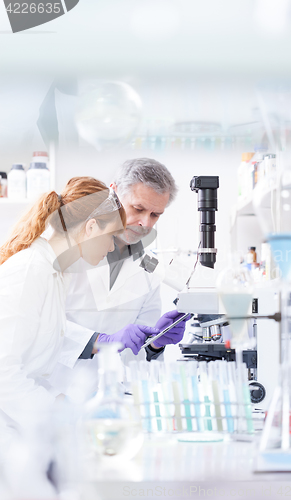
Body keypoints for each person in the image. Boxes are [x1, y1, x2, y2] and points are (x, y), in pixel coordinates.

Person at [0, 176, 166, 450]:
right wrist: (60, 415)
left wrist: (67, 404)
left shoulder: (54, 272)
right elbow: (3, 373)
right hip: (9, 437)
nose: (112, 247)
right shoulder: (30, 270)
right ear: (91, 227)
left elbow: (34, 368)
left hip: (24, 431)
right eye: (111, 237)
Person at [54, 158, 187, 393]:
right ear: (113, 193)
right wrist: (99, 341)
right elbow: (38, 326)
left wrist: (155, 344)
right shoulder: (68, 247)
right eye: (138, 209)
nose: (145, 223)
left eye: (156, 215)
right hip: (54, 393)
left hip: (110, 400)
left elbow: (136, 356)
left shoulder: (149, 269)